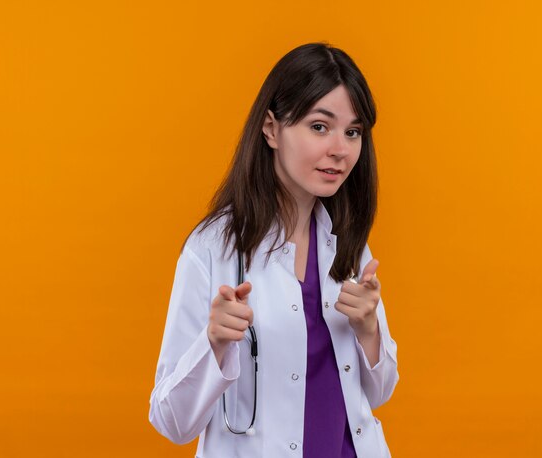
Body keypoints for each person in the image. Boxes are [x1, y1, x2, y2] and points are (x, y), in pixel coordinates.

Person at [149, 42, 399, 457]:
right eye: (320, 126)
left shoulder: (348, 244)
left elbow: (379, 392)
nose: (340, 149)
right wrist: (213, 342)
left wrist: (369, 330)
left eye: (353, 132)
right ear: (271, 129)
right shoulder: (213, 249)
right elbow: (171, 422)